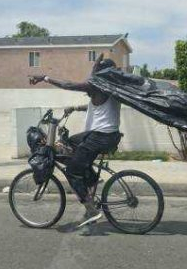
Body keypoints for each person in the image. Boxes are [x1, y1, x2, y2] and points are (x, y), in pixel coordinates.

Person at [29, 54, 121, 228]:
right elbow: (98, 106)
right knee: (71, 142)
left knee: (71, 171)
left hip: (100, 136)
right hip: (108, 135)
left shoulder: (98, 87)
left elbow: (69, 85)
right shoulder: (112, 88)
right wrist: (76, 108)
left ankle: (91, 209)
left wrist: (45, 78)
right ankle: (91, 178)